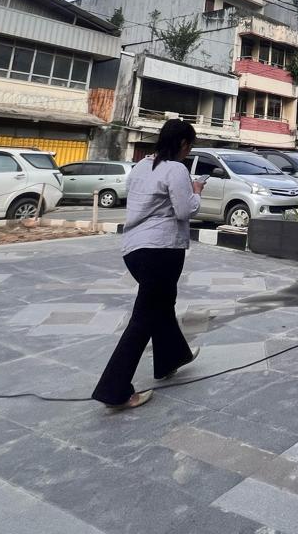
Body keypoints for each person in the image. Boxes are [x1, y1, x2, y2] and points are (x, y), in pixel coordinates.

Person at [92, 119, 202, 411]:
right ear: (182, 144)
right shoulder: (176, 168)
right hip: (162, 249)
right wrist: (197, 191)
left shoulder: (141, 166)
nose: (188, 151)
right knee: (144, 316)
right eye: (189, 146)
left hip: (134, 249)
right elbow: (183, 210)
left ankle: (171, 359)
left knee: (162, 304)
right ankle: (113, 389)